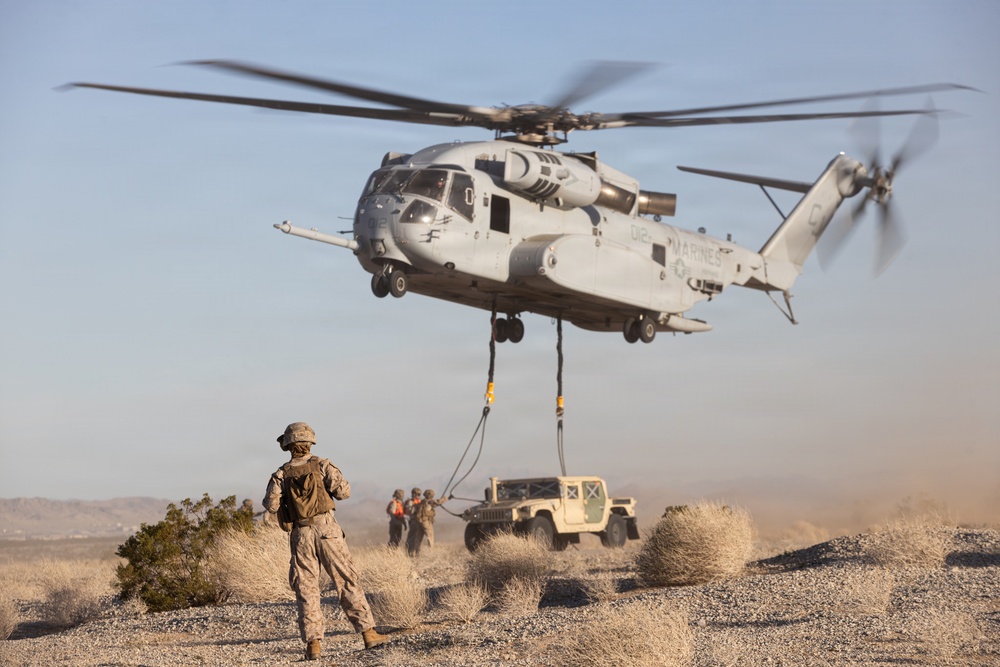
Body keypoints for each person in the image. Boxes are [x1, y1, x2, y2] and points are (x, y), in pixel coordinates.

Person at [263, 422, 388, 661]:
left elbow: (271, 505)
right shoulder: (322, 465)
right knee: (346, 580)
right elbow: (344, 492)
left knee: (306, 588)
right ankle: (369, 634)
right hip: (327, 530)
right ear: (310, 442)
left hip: (301, 534)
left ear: (288, 445)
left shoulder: (280, 474)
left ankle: (313, 646)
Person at [412, 488, 445, 554]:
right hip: (426, 522)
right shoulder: (430, 502)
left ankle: (415, 553)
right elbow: (438, 502)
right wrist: (446, 498)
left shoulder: (422, 501)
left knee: (418, 538)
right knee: (430, 537)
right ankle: (430, 553)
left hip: (419, 522)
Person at [403, 487, 422, 556]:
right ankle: (408, 552)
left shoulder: (420, 501)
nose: (418, 496)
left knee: (418, 537)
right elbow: (410, 511)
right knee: (412, 537)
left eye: (419, 494)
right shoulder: (411, 502)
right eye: (417, 494)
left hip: (419, 522)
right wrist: (416, 508)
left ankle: (416, 552)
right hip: (413, 521)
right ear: (413, 494)